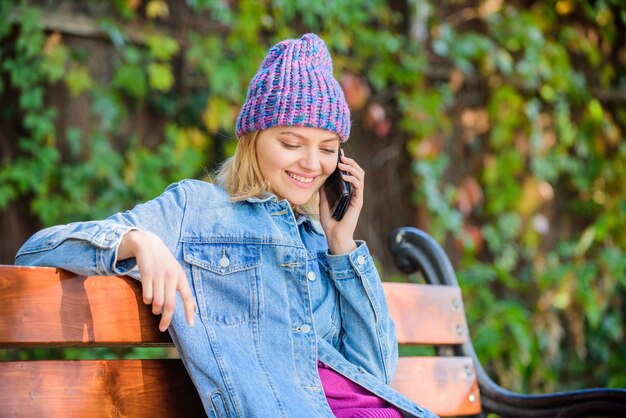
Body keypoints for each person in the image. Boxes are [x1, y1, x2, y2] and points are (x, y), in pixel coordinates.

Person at [15, 33, 437, 418]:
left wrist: (342, 244)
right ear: (253, 139)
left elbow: (373, 378)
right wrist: (135, 239)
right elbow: (37, 249)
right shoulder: (196, 209)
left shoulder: (317, 240)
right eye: (291, 143)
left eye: (328, 149)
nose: (312, 164)